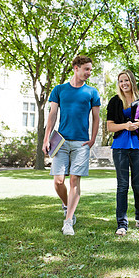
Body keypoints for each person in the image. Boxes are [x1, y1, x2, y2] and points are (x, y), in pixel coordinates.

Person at [42, 55, 101, 236]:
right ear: (76, 68)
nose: (89, 73)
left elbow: (96, 117)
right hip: (61, 141)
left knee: (75, 180)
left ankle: (68, 221)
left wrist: (92, 139)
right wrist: (46, 139)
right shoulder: (59, 90)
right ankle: (67, 204)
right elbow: (52, 115)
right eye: (86, 69)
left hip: (81, 143)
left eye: (90, 69)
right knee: (58, 181)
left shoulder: (92, 92)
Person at [107, 69, 139, 236]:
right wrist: (125, 126)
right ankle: (122, 224)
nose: (124, 84)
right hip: (120, 147)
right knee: (122, 186)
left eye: (126, 80)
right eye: (121, 81)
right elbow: (109, 126)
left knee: (138, 185)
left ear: (132, 81)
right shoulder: (115, 101)